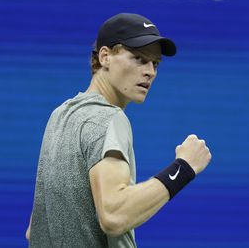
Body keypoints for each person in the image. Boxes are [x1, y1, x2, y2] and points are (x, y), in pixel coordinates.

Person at [26, 13, 212, 247]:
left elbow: (35, 229)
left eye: (155, 64)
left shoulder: (60, 115)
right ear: (105, 57)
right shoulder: (109, 118)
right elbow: (113, 215)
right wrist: (183, 168)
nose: (150, 72)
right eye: (139, 58)